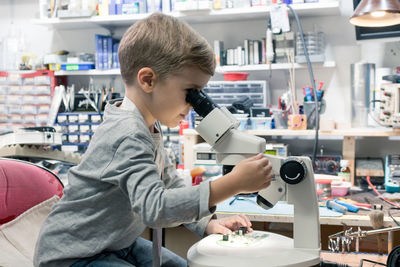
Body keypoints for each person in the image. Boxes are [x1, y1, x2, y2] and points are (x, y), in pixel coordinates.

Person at [34, 13, 274, 267]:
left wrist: (207, 224)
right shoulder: (127, 132)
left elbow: (169, 186)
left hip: (115, 243)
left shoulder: (148, 125)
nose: (194, 104)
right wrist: (232, 184)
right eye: (190, 92)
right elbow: (155, 208)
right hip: (73, 254)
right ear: (148, 80)